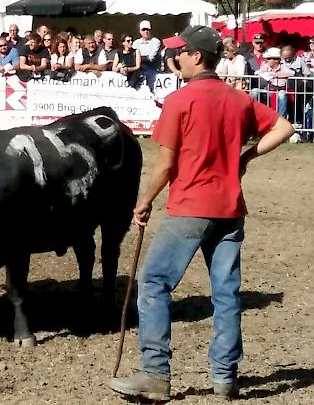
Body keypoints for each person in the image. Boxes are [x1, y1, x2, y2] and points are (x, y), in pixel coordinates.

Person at [109, 25, 295, 402]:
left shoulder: (180, 101)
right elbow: (284, 126)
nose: (175, 58)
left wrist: (143, 202)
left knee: (154, 282)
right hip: (229, 208)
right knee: (226, 294)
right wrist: (246, 157)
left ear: (197, 56)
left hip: (190, 207)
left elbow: (164, 167)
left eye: (180, 52)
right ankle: (225, 377)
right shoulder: (238, 99)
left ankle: (155, 374)